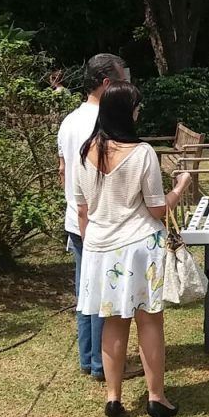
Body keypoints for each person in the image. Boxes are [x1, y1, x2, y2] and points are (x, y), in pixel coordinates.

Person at [74, 81, 192, 417]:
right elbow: (157, 208)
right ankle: (156, 397)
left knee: (113, 323)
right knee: (149, 321)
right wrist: (181, 185)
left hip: (100, 247)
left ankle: (114, 399)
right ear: (127, 112)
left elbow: (82, 209)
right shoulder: (142, 153)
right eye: (136, 107)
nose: (139, 112)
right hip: (139, 247)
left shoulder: (85, 152)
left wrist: (95, 247)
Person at [57, 53, 136, 381]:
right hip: (104, 223)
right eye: (121, 80)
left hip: (77, 220)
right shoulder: (105, 121)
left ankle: (90, 360)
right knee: (107, 297)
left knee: (86, 294)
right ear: (107, 83)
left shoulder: (69, 121)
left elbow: (63, 171)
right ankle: (104, 363)